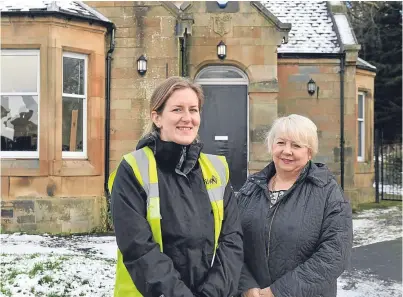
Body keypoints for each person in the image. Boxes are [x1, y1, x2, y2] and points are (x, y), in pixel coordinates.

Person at [109, 76, 243, 297]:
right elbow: (138, 247)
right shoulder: (133, 169)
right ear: (157, 117)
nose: (187, 118)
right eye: (177, 110)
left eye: (193, 110)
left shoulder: (217, 169)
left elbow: (232, 240)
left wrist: (212, 293)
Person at [237, 114, 352, 297]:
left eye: (296, 145)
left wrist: (278, 292)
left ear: (309, 152)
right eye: (281, 143)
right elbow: (231, 241)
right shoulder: (251, 188)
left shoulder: (328, 192)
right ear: (271, 145)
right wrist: (246, 286)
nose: (287, 151)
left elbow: (334, 255)